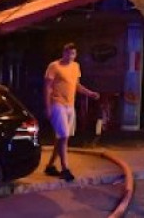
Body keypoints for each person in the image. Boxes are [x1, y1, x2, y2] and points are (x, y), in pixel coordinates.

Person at [43, 42, 99, 182]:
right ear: (64, 53)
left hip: (70, 106)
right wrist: (48, 107)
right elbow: (48, 88)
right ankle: (65, 168)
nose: (70, 56)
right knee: (64, 136)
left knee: (61, 137)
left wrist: (89, 93)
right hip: (58, 104)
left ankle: (50, 166)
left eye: (73, 53)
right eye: (68, 53)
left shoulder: (76, 66)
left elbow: (76, 85)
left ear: (75, 55)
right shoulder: (54, 66)